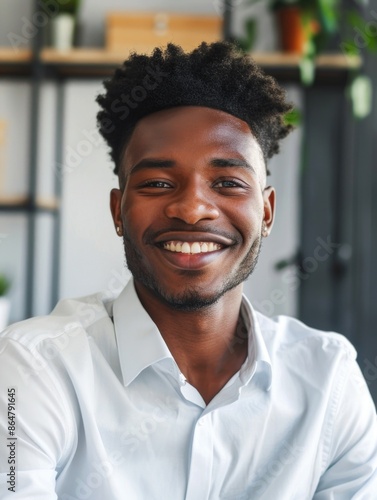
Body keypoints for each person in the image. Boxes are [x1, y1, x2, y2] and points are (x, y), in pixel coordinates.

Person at [0, 42, 376, 499]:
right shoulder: (34, 370)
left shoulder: (328, 380)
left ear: (266, 211)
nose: (193, 209)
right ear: (119, 212)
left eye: (228, 183)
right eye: (158, 183)